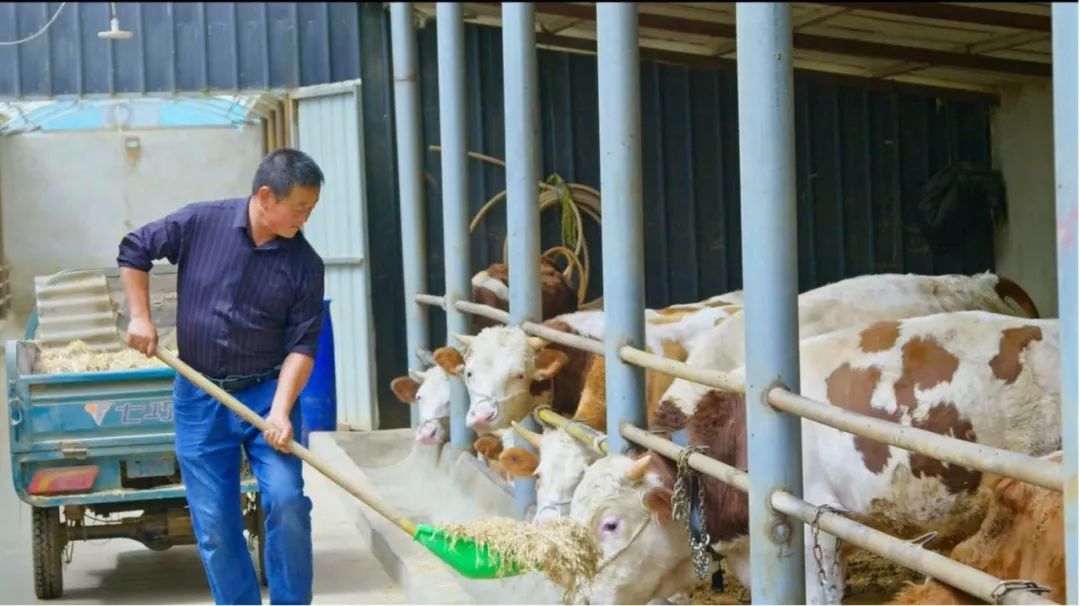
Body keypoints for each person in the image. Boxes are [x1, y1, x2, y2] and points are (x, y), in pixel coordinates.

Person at [117, 148, 327, 605]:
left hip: (268, 394)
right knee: (215, 524)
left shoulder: (305, 265)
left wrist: (281, 411)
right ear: (266, 197)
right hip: (199, 394)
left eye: (311, 208)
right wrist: (140, 317)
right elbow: (135, 248)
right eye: (300, 208)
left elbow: (302, 346)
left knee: (288, 500)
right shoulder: (200, 223)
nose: (306, 218)